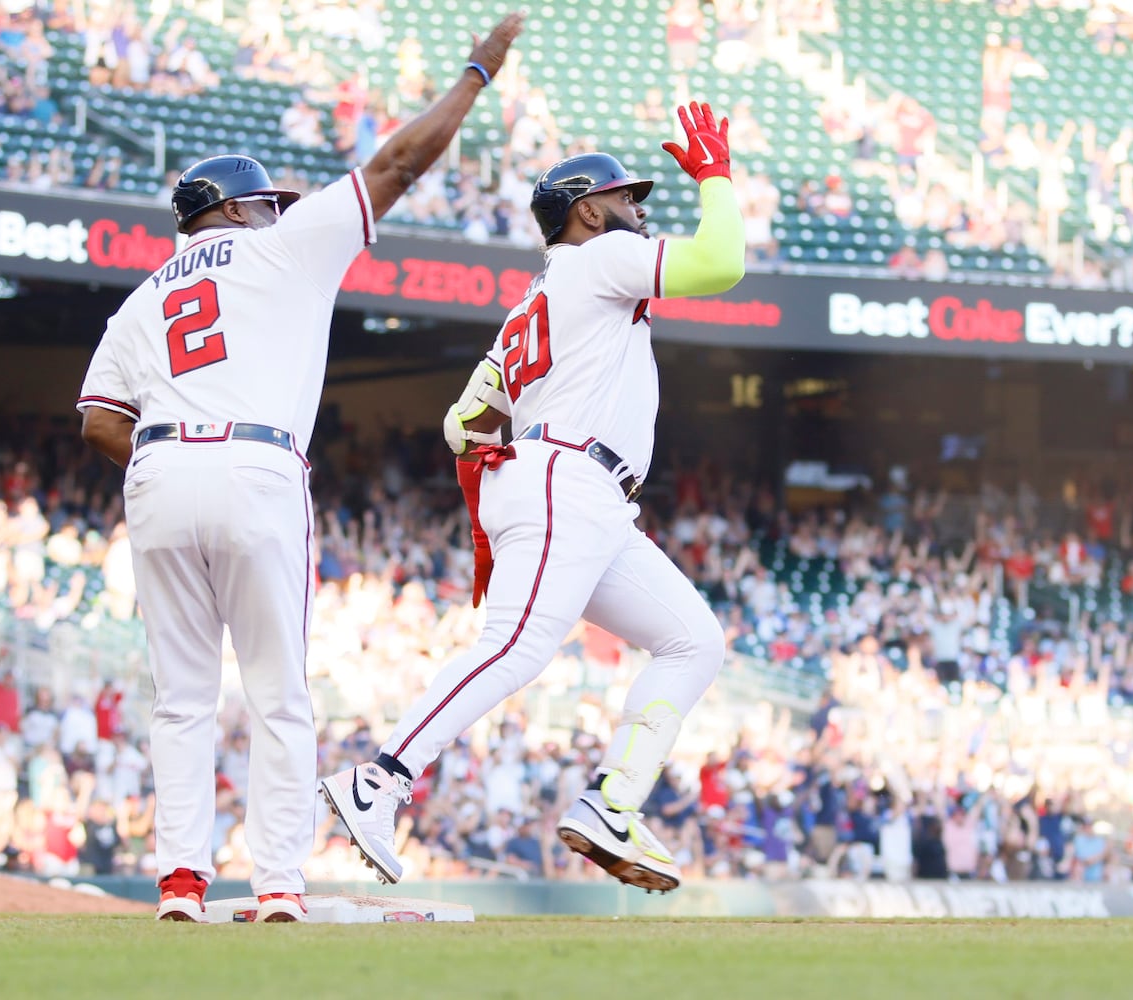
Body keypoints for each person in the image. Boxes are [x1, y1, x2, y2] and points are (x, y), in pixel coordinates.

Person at [75, 12, 524, 924]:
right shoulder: (281, 243)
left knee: (182, 699)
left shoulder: (143, 296)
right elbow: (400, 165)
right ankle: (277, 883)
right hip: (254, 464)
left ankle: (179, 885)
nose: (275, 212)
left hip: (158, 472)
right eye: (266, 202)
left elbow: (95, 422)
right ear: (239, 210)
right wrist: (476, 73)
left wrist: (169, 460)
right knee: (279, 692)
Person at [321, 101, 746, 893]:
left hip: (576, 488)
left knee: (694, 638)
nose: (640, 209)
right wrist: (716, 178)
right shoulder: (598, 260)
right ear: (588, 210)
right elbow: (722, 264)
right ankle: (378, 779)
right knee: (515, 646)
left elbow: (463, 424)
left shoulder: (537, 299)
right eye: (627, 197)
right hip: (568, 477)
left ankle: (611, 805)